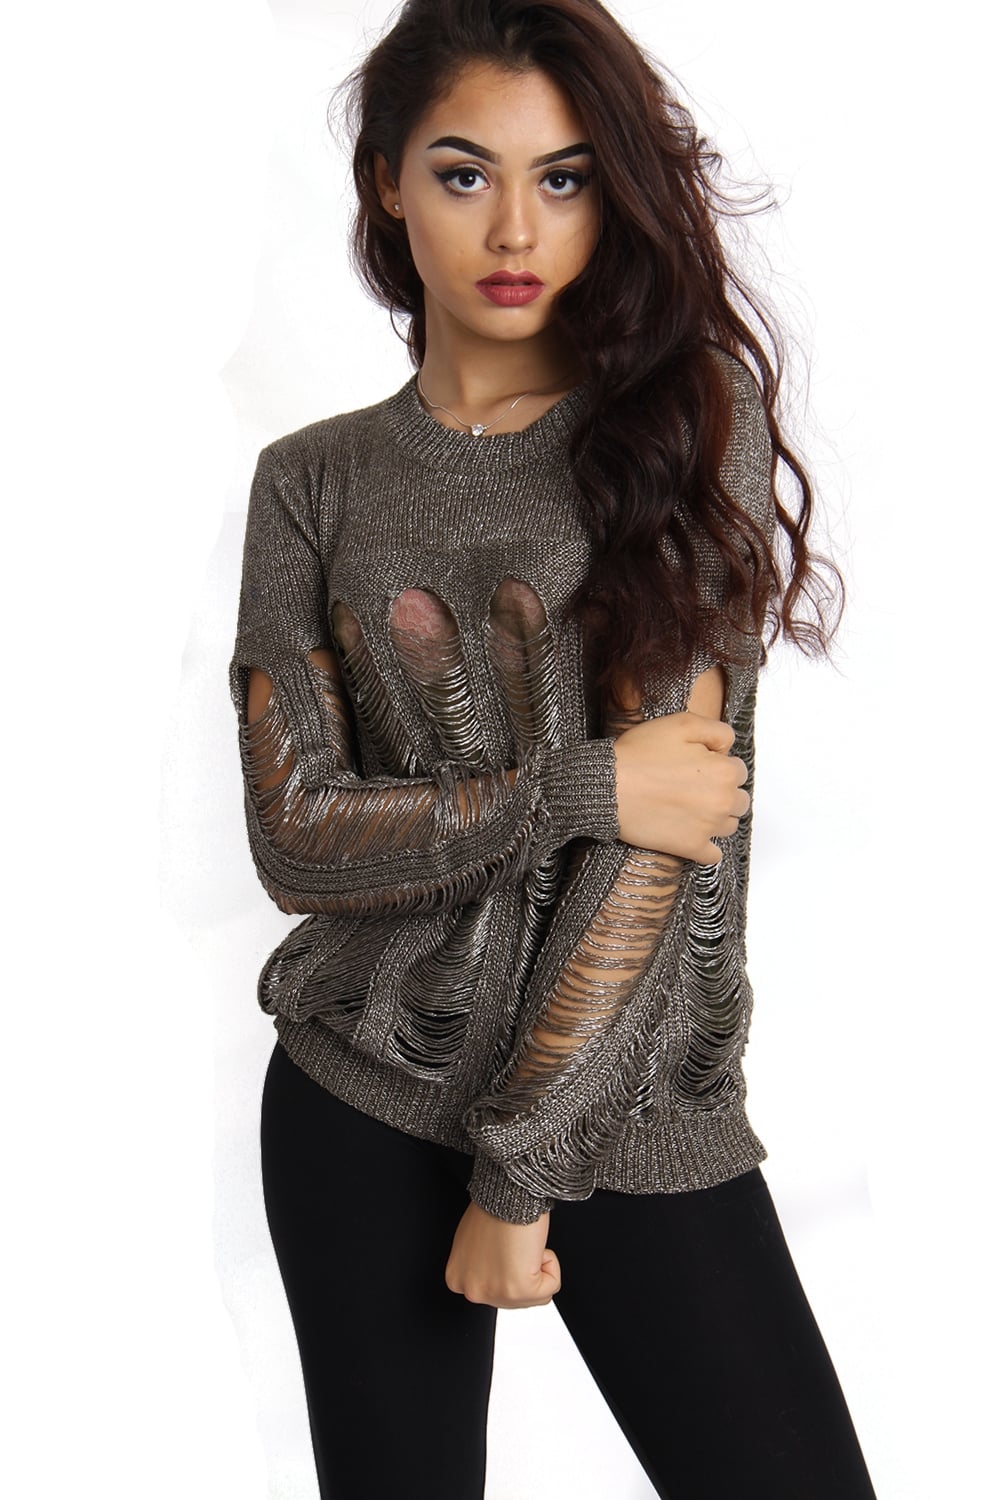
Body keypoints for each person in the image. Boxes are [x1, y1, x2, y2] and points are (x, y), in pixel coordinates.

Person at [229, 2, 877, 1495]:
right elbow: (296, 837)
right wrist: (582, 785)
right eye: (465, 173)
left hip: (630, 1102)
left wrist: (519, 1176)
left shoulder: (683, 424)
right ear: (387, 181)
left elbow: (671, 843)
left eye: (566, 177)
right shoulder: (311, 482)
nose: (516, 229)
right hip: (359, 1088)